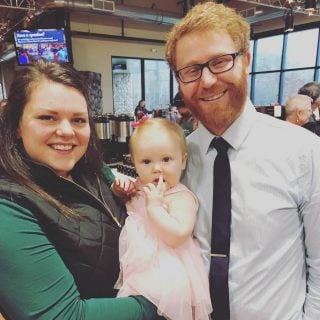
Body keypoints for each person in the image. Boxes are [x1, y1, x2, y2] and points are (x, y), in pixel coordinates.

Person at [165, 2, 320, 320]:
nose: (207, 81)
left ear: (246, 60)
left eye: (220, 62)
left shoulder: (304, 151)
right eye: (192, 70)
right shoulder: (177, 159)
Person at [0, 59, 164, 320]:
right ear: (18, 126)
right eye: (47, 117)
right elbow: (63, 316)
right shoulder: (9, 206)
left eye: (78, 120)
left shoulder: (92, 169)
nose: (66, 131)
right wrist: (164, 300)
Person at [112, 118, 212, 320]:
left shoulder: (180, 197)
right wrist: (121, 191)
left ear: (182, 160)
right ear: (134, 163)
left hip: (170, 272)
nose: (157, 168)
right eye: (146, 161)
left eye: (166, 159)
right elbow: (130, 203)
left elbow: (177, 235)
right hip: (140, 267)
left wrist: (155, 206)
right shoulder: (143, 185)